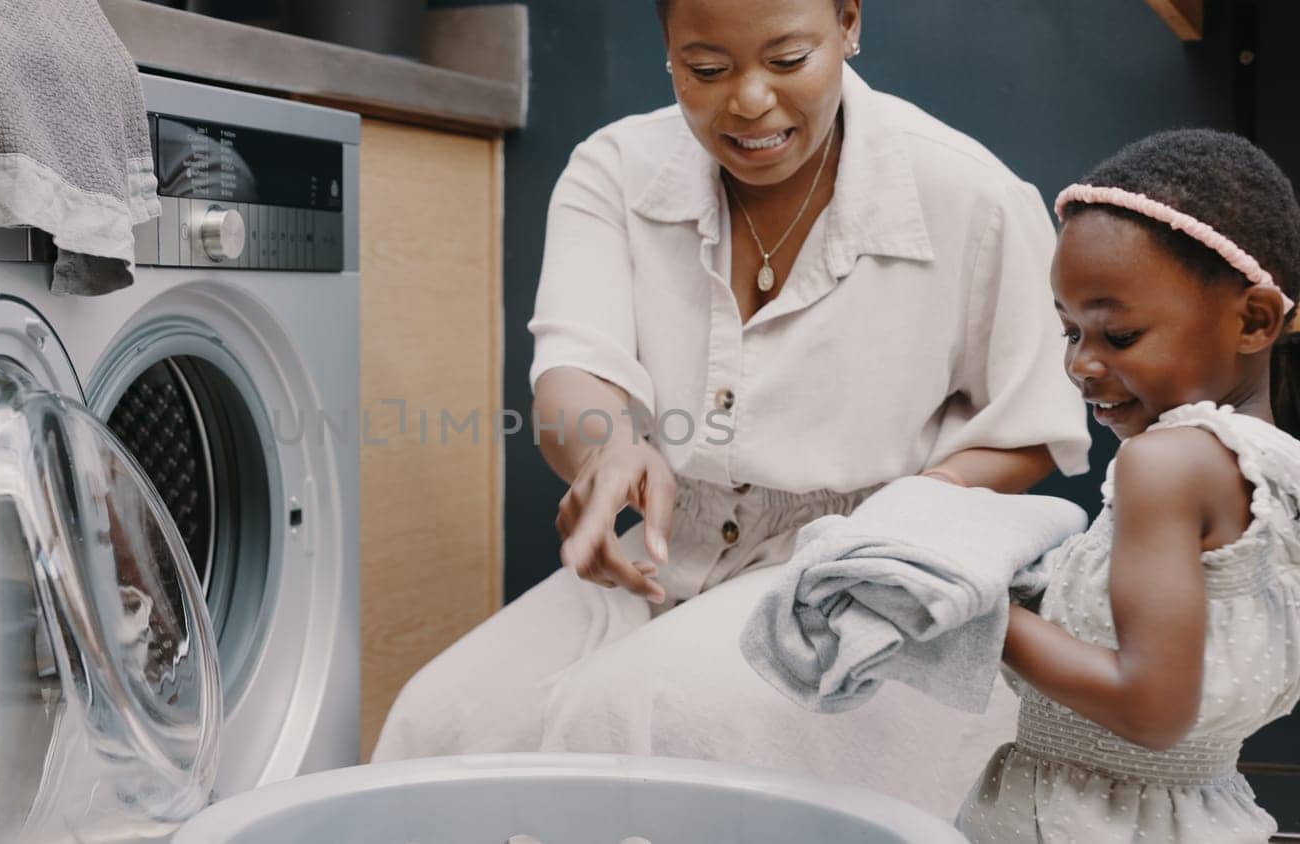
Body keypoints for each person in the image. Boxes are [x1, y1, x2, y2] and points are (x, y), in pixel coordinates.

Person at [373, 0, 1090, 816]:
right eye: (706, 70)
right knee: (438, 723)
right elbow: (575, 367)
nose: (748, 102)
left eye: (788, 61)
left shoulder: (970, 195)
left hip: (844, 574)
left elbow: (1035, 426)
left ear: (849, 23)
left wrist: (900, 521)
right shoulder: (615, 168)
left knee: (625, 717)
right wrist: (608, 452)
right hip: (662, 554)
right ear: (669, 50)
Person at [956, 129, 1300, 842]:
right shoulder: (1276, 471)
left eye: (1118, 336)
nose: (1082, 364)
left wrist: (973, 609)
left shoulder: (1163, 465)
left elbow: (1151, 708)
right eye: (1069, 333)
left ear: (1254, 320)